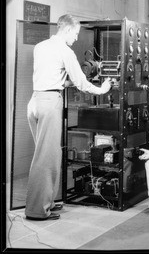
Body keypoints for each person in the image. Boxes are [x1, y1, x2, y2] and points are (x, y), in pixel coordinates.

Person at [25, 14, 112, 221]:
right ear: (66, 30)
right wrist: (103, 89)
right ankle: (37, 211)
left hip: (35, 101)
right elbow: (82, 83)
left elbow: (53, 77)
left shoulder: (40, 46)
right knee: (46, 159)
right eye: (75, 33)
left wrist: (69, 81)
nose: (75, 38)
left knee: (44, 155)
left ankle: (47, 203)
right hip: (49, 103)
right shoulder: (66, 51)